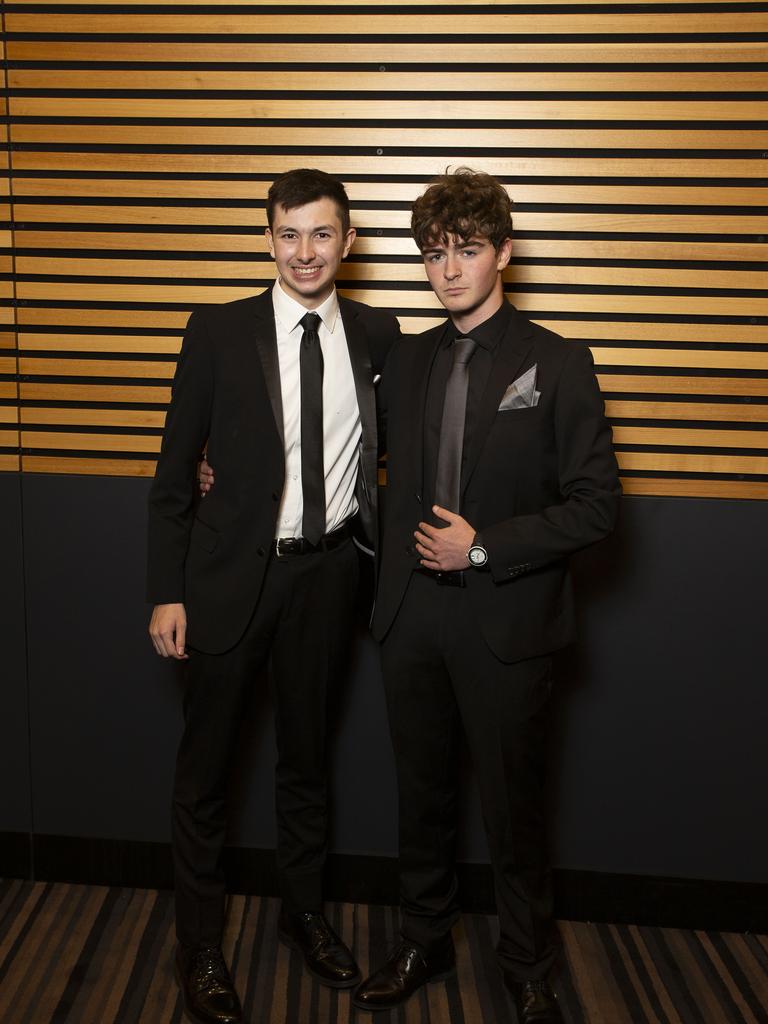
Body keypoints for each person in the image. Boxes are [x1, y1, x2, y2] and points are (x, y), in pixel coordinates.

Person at [351, 169, 621, 1023]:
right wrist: (223, 474)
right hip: (411, 617)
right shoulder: (405, 356)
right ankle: (422, 941)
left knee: (515, 809)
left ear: (503, 252)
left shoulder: (558, 361)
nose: (449, 270)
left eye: (466, 251)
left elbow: (597, 505)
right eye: (435, 254)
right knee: (421, 797)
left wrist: (485, 547)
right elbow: (350, 457)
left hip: (506, 618)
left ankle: (527, 964)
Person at [147, 168, 400, 1024]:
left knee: (305, 762)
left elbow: (402, 444)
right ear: (268, 238)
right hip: (225, 583)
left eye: (322, 234)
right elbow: (175, 473)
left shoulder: (377, 332)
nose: (305, 252)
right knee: (206, 773)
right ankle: (202, 946)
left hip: (328, 577)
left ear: (348, 242)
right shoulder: (216, 331)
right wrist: (166, 592)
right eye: (289, 234)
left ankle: (304, 916)